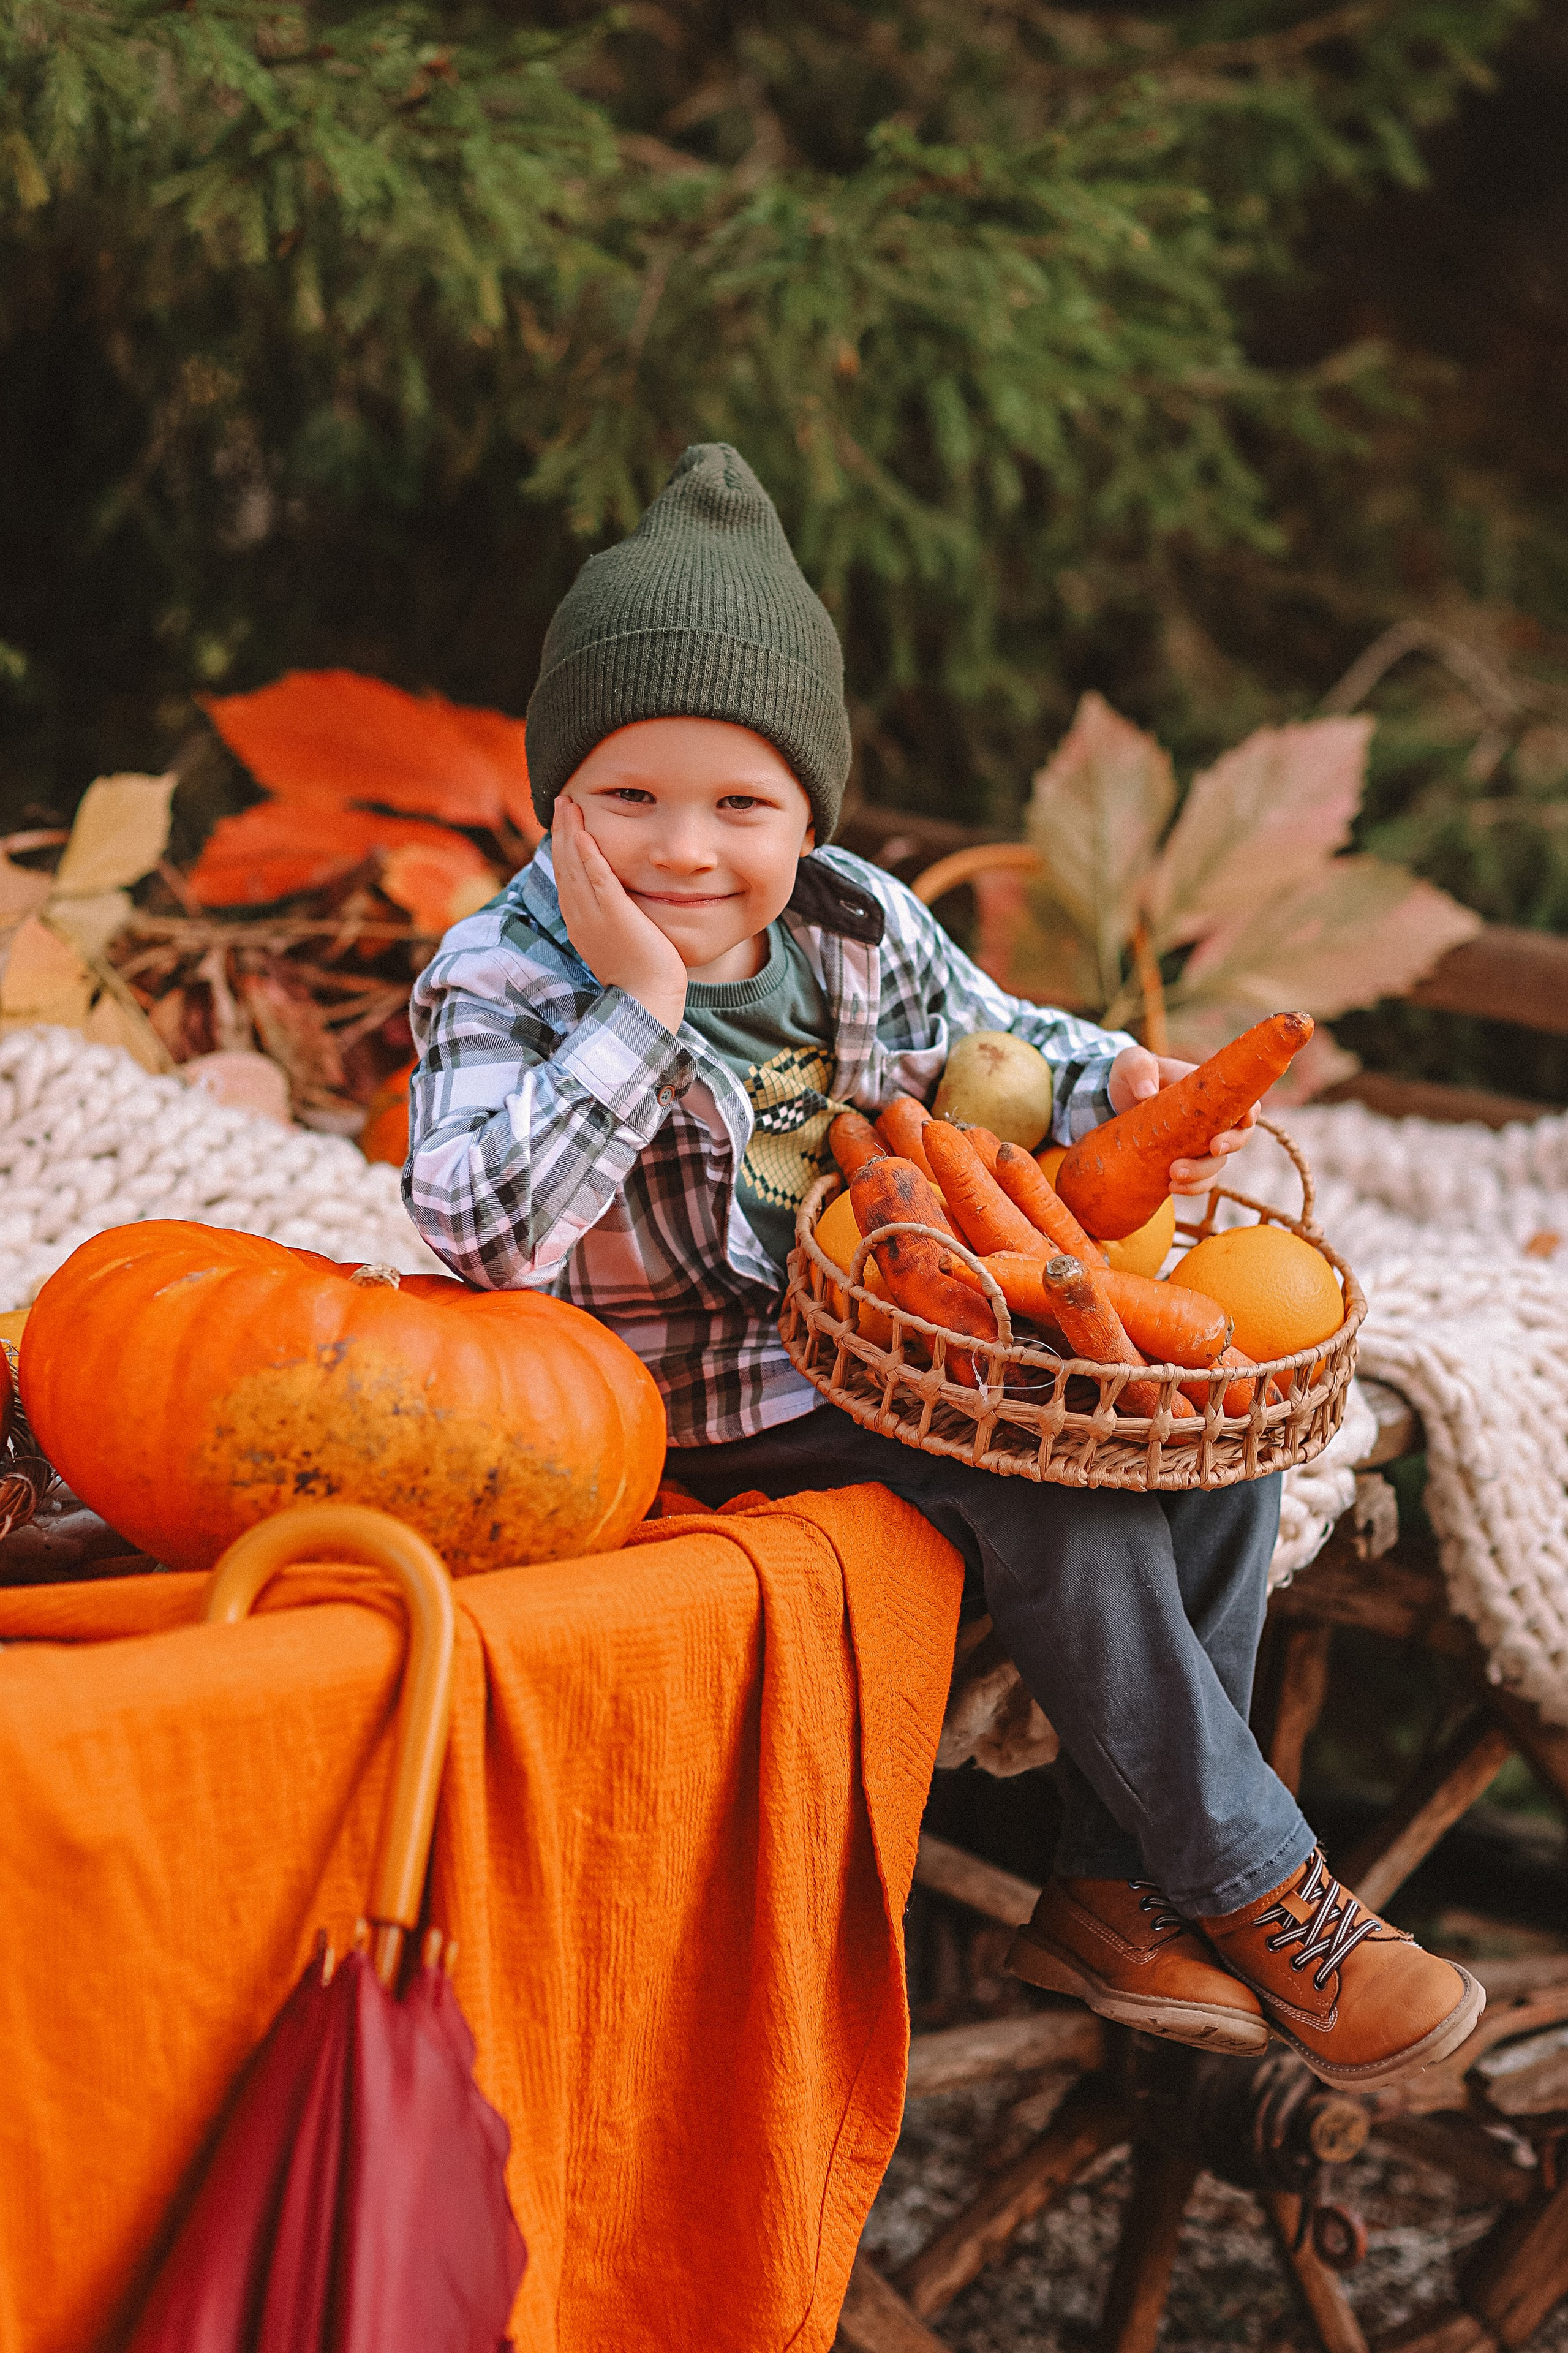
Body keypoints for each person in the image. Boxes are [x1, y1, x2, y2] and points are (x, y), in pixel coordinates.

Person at [405, 442, 1482, 2087]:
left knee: (1189, 1434)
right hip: (676, 1412)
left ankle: (1112, 1892)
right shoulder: (503, 971)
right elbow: (477, 1228)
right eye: (629, 798)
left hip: (885, 1352)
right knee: (1044, 1486)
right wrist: (636, 1011)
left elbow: (1003, 1044)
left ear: (806, 811)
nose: (686, 851)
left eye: (741, 804)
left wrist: (1120, 1077)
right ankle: (1262, 1885)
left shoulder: (849, 926)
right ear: (560, 800)